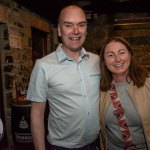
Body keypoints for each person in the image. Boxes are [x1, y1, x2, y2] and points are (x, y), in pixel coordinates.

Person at [26, 5, 101, 150]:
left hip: (97, 144)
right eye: (68, 25)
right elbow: (36, 115)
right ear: (59, 30)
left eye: (81, 25)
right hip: (62, 147)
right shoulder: (43, 66)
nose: (76, 31)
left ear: (86, 29)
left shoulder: (97, 61)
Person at [99, 36, 150, 150]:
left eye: (121, 53)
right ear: (104, 61)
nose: (118, 59)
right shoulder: (100, 90)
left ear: (130, 55)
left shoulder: (148, 84)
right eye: (110, 55)